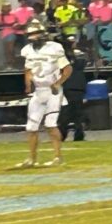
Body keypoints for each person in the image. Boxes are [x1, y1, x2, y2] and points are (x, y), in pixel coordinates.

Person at [15, 21, 73, 168]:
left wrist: (58, 83)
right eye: (31, 34)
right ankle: (32, 159)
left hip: (52, 91)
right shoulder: (27, 50)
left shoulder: (54, 48)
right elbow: (28, 69)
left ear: (43, 34)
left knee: (50, 124)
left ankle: (58, 157)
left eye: (36, 34)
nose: (33, 37)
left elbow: (67, 69)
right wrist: (28, 84)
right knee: (31, 127)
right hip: (38, 91)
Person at [57, 36, 88, 142]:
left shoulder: (65, 57)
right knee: (76, 112)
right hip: (76, 86)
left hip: (70, 85)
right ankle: (76, 134)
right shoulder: (74, 55)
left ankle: (63, 134)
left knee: (67, 112)